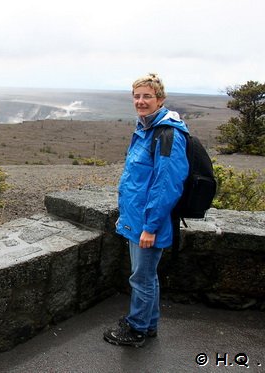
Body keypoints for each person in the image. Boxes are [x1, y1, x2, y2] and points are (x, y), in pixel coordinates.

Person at [103, 73, 189, 347]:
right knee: (146, 275)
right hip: (138, 218)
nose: (140, 101)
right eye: (137, 96)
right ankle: (148, 325)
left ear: (160, 99)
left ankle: (137, 329)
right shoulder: (144, 129)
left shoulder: (167, 135)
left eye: (147, 96)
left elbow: (166, 186)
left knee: (141, 277)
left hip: (150, 222)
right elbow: (139, 181)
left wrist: (150, 227)